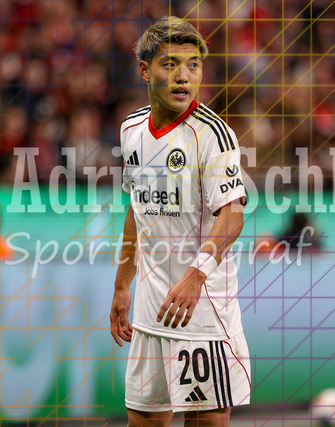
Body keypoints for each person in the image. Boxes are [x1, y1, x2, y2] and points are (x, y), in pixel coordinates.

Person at [109, 16, 251, 426]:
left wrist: (195, 275)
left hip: (201, 312)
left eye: (193, 65)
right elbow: (136, 209)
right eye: (170, 64)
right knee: (144, 421)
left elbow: (232, 215)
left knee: (205, 421)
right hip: (151, 312)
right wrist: (122, 285)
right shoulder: (131, 129)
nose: (183, 76)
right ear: (145, 70)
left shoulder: (213, 135)